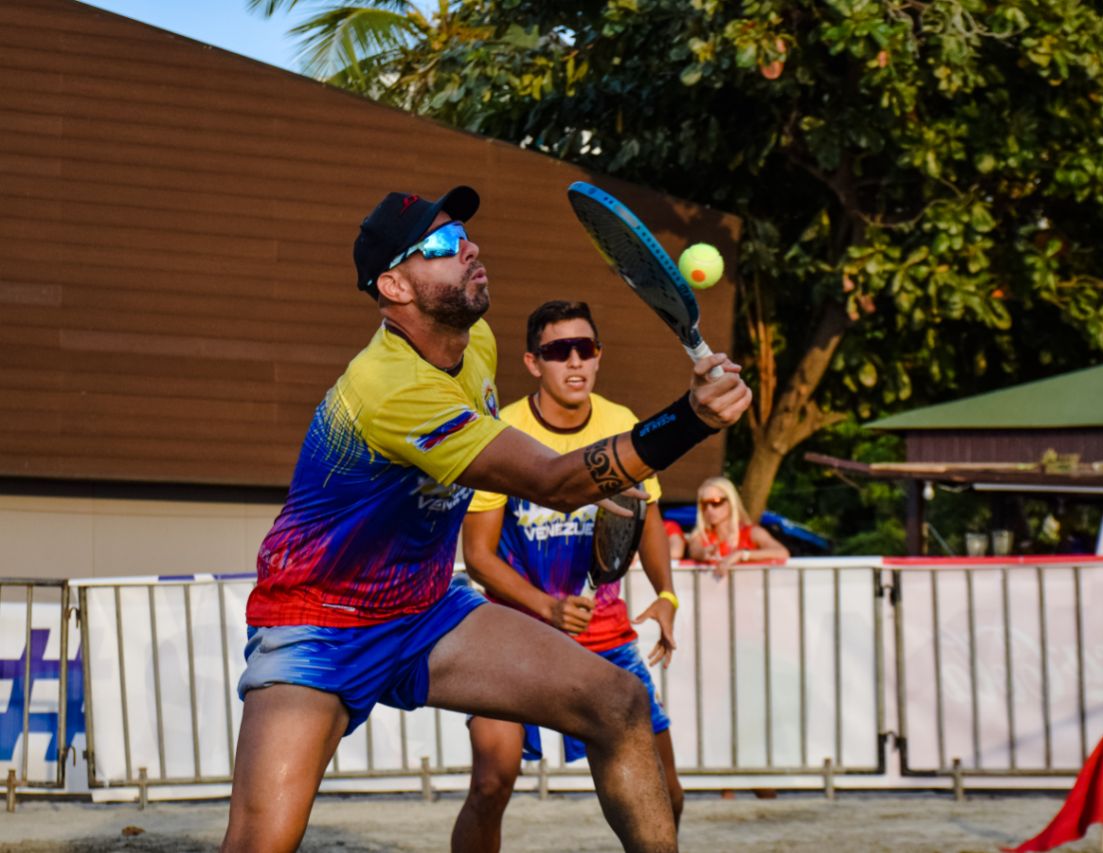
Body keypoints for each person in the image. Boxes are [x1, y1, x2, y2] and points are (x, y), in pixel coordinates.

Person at [221, 187, 751, 853]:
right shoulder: (389, 389)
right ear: (394, 284)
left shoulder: (476, 344)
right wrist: (691, 419)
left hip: (425, 609)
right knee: (260, 843)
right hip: (320, 623)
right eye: (441, 244)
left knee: (619, 703)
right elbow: (554, 482)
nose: (468, 247)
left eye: (465, 233)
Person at [452, 300, 682, 852]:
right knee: (490, 783)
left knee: (666, 795)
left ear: (599, 356)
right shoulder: (501, 430)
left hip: (602, 637)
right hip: (514, 638)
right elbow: (479, 556)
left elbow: (647, 514)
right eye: (558, 351)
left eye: (587, 348)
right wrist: (546, 607)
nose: (575, 361)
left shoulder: (620, 423)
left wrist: (667, 594)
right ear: (533, 363)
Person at [685, 477, 789, 579]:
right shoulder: (701, 535)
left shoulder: (752, 532)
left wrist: (742, 555)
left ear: (731, 501)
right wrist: (703, 554)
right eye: (704, 504)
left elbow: (782, 552)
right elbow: (695, 550)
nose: (709, 509)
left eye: (716, 502)